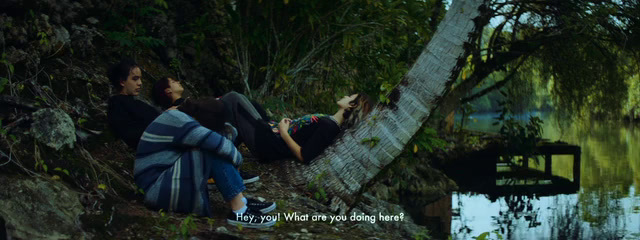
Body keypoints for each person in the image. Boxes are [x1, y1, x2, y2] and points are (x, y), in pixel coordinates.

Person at [134, 98, 277, 228]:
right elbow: (220, 145)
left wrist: (224, 131)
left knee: (214, 146)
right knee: (212, 149)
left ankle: (241, 202)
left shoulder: (183, 116)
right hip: (156, 189)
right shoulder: (179, 120)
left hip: (162, 182)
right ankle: (239, 210)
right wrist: (237, 160)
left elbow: (228, 133)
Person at [151, 77, 261, 184]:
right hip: (203, 145)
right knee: (232, 101)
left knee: (246, 105)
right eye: (174, 81)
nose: (178, 82)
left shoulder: (182, 105)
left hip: (209, 141)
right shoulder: (173, 112)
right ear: (168, 90)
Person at [107, 58, 160, 149]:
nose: (140, 83)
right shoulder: (117, 104)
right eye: (135, 79)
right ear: (122, 82)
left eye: (140, 79)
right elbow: (128, 134)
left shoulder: (137, 103)